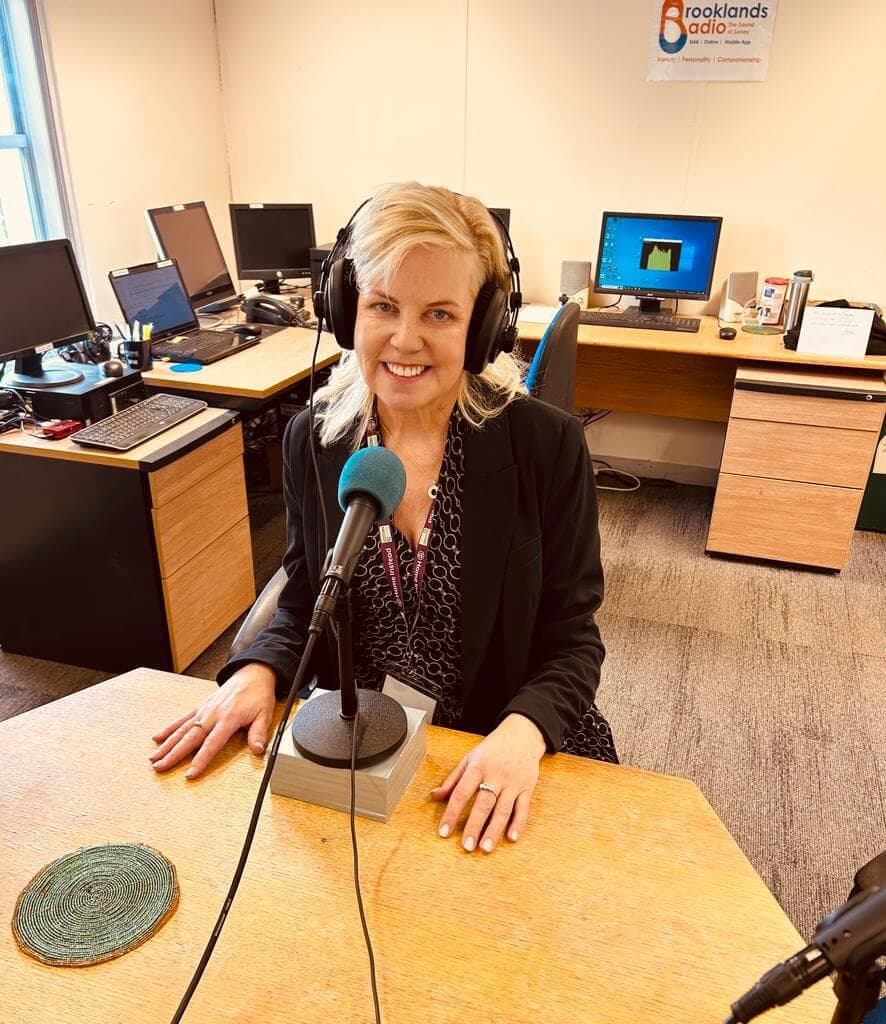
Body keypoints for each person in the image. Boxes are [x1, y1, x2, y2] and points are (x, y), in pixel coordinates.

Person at [150, 182, 617, 854]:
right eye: (383, 306)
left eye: (439, 314)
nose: (405, 340)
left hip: (502, 735)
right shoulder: (314, 440)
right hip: (363, 732)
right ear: (347, 310)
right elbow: (305, 594)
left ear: (483, 326)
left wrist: (524, 733)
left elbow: (573, 639)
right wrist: (258, 670)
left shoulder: (543, 446)